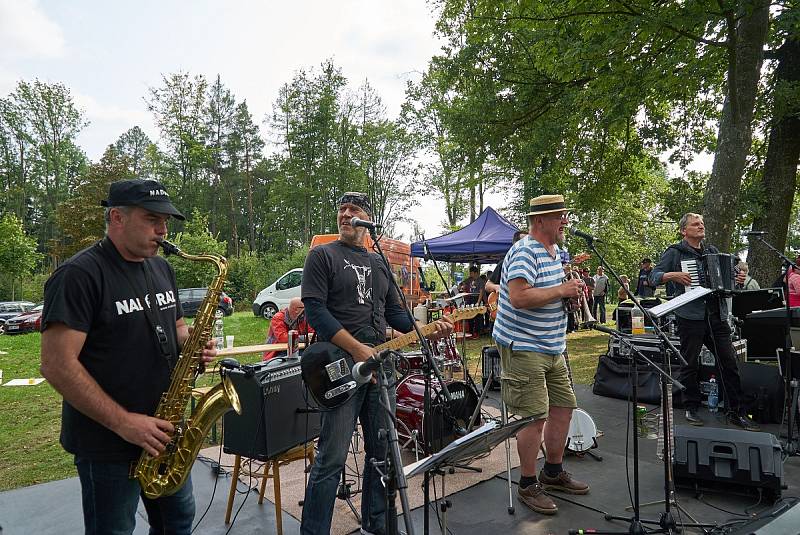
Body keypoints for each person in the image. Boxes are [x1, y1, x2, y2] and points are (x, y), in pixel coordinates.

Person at [39, 179, 218, 535]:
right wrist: (125, 422)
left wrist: (192, 345)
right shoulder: (78, 275)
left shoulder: (161, 268)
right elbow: (56, 365)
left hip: (165, 432)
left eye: (166, 221)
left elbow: (178, 325)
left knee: (178, 522)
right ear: (117, 218)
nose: (163, 230)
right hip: (108, 442)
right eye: (152, 219)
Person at [300, 192, 453, 535]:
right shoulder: (322, 256)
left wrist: (427, 330)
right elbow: (315, 311)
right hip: (340, 365)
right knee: (331, 459)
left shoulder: (379, 262)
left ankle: (378, 525)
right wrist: (356, 349)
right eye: (342, 209)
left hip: (381, 365)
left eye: (353, 210)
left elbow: (396, 314)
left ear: (368, 218)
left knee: (382, 452)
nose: (345, 214)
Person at [493, 194, 589, 516]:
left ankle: (552, 471)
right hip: (524, 347)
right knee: (535, 417)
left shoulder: (558, 252)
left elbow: (551, 291)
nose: (566, 221)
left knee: (563, 407)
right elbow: (519, 297)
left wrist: (570, 295)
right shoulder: (524, 251)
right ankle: (527, 484)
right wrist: (562, 291)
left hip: (553, 346)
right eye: (561, 216)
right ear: (541, 220)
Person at [649, 213, 758, 431]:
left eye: (702, 224)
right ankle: (690, 406)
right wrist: (674, 276)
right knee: (689, 363)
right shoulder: (675, 252)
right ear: (684, 231)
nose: (700, 226)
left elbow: (728, 282)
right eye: (695, 224)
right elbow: (653, 277)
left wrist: (736, 280)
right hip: (690, 315)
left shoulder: (713, 252)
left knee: (728, 362)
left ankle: (735, 410)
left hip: (716, 315)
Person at [485, 229, 528, 295]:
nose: (528, 245)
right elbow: (487, 285)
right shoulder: (504, 263)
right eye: (524, 242)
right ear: (515, 245)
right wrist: (497, 287)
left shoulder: (534, 263)